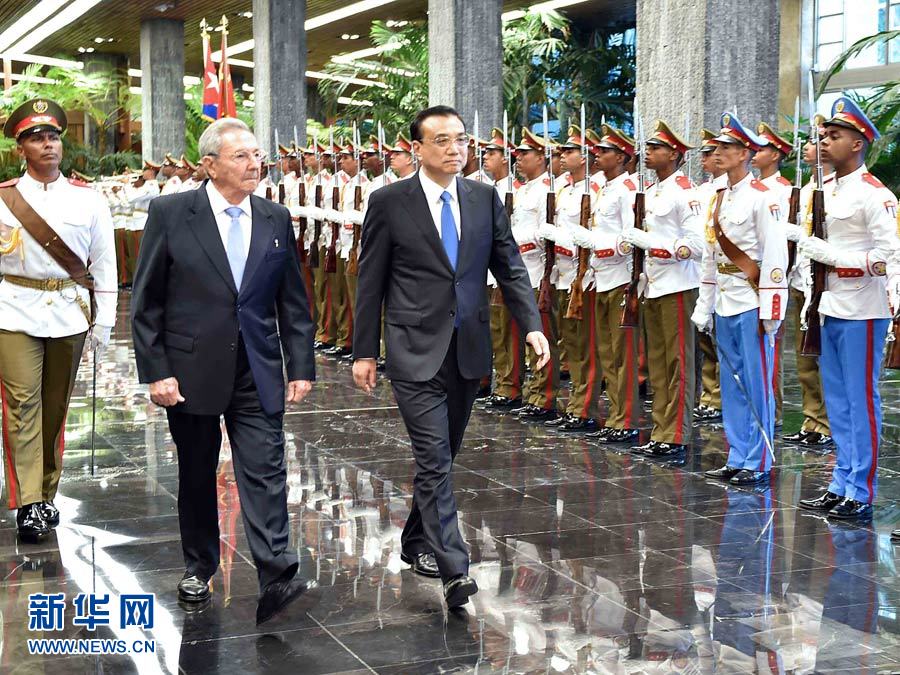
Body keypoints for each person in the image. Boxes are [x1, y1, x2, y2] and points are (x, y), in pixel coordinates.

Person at [351, 105, 550, 609]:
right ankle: (455, 567)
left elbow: (509, 266)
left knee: (443, 454)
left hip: (467, 347)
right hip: (412, 348)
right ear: (417, 148)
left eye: (460, 139)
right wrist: (363, 350)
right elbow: (370, 280)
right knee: (434, 456)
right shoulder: (390, 201)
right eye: (441, 140)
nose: (454, 149)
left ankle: (416, 540)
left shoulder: (484, 198)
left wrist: (531, 327)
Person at [131, 117, 319, 624]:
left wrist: (300, 364)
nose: (254, 163)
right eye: (241, 156)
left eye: (257, 155)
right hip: (190, 369)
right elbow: (146, 301)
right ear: (210, 164)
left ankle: (277, 571)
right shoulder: (173, 213)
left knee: (266, 468)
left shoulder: (275, 217)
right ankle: (199, 565)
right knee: (196, 472)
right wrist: (157, 371)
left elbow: (292, 301)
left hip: (257, 367)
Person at [0, 98, 116, 541]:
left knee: (54, 409)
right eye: (36, 138)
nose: (47, 145)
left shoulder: (89, 200)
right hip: (14, 310)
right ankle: (29, 502)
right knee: (22, 405)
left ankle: (46, 493)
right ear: (21, 149)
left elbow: (104, 265)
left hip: (69, 313)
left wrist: (103, 324)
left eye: (52, 137)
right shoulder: (6, 198)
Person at [797, 97, 899, 520]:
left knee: (861, 400)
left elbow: (889, 256)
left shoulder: (875, 194)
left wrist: (836, 258)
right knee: (836, 399)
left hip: (863, 307)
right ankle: (841, 480)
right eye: (823, 135)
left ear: (857, 144)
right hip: (829, 304)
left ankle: (862, 489)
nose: (824, 142)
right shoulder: (825, 190)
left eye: (834, 136)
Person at [692, 113, 788, 486]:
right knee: (731, 381)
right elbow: (710, 255)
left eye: (729, 148)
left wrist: (772, 309)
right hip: (724, 299)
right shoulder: (717, 197)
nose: (720, 153)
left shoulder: (763, 199)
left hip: (751, 298)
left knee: (756, 380)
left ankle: (759, 457)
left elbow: (776, 256)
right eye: (718, 147)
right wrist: (705, 303)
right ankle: (738, 452)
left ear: (747, 153)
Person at [625, 120, 703, 457]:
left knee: (678, 364)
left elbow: (697, 245)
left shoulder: (686, 192)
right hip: (654, 285)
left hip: (679, 285)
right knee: (657, 361)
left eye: (656, 148)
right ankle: (660, 429)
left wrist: (654, 245)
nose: (648, 153)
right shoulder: (653, 190)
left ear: (674, 154)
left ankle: (676, 434)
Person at [575, 123, 641, 444]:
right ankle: (615, 415)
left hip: (620, 278)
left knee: (621, 354)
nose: (597, 155)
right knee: (607, 352)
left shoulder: (628, 190)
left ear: (622, 156)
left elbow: (630, 239)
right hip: (601, 278)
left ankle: (626, 418)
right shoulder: (606, 188)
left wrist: (599, 245)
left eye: (605, 151)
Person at [782, 119, 834, 448]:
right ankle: (812, 418)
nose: (807, 147)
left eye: (814, 142)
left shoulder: (832, 188)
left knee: (825, 356)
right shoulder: (803, 189)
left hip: (826, 285)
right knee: (804, 357)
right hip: (802, 280)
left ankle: (827, 423)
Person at [693, 129, 725, 422]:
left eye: (710, 152)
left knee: (720, 344)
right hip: (707, 268)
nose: (705, 158)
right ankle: (709, 395)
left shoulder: (730, 188)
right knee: (706, 342)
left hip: (729, 274)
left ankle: (719, 399)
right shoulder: (704, 190)